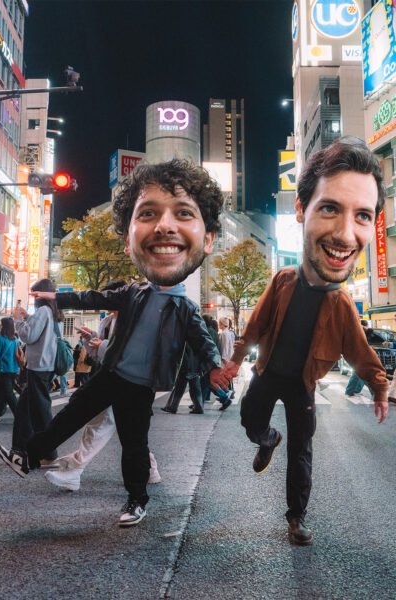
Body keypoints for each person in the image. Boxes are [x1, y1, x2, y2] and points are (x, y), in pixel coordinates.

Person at [0, 159, 229, 527]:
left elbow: (203, 341)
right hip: (113, 374)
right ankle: (27, 456)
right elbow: (93, 298)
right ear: (129, 241)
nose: (165, 228)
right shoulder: (134, 292)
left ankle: (137, 500)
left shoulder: (186, 307)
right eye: (149, 214)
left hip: (140, 386)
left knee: (134, 444)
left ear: (208, 240)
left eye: (183, 213)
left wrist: (216, 367)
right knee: (70, 415)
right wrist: (58, 298)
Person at [224, 139, 392, 546]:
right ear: (302, 211)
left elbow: (360, 351)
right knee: (250, 421)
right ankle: (267, 440)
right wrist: (234, 360)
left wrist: (380, 388)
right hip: (267, 374)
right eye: (329, 207)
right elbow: (256, 324)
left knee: (302, 453)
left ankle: (296, 518)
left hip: (302, 384)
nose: (344, 232)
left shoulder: (340, 303)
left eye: (363, 215)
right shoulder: (282, 280)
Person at [44, 280, 162, 492]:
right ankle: (150, 469)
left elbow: (131, 354)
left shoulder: (136, 321)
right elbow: (100, 357)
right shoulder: (106, 322)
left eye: (111, 296)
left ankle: (74, 471)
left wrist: (104, 345)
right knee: (131, 435)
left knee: (101, 426)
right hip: (108, 379)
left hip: (129, 382)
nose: (107, 300)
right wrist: (92, 342)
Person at [8, 279, 62, 467]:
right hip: (44, 366)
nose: (33, 298)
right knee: (25, 409)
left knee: (40, 411)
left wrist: (17, 319)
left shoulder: (43, 312)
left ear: (42, 295)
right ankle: (19, 450)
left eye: (35, 294)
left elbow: (28, 336)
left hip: (39, 366)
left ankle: (49, 454)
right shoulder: (51, 312)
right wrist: (27, 317)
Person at [161, 344, 205, 414]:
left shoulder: (187, 339)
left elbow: (184, 354)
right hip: (194, 366)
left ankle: (172, 406)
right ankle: (198, 407)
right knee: (195, 389)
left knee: (179, 388)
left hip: (186, 366)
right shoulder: (196, 339)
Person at [344, 319, 378, 400]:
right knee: (365, 375)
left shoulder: (356, 332)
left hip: (358, 356)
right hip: (361, 356)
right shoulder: (364, 332)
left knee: (359, 374)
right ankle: (375, 393)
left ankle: (352, 390)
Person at [0, 317, 21, 418]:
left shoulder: (0, 339)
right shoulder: (15, 339)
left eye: (1, 324)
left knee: (9, 395)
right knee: (1, 394)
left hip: (3, 370)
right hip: (14, 370)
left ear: (3, 326)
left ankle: (20, 416)